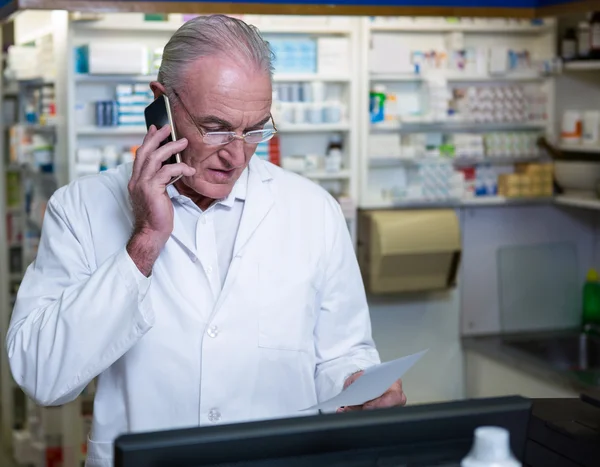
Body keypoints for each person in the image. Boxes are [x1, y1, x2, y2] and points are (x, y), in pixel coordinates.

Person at [6, 15, 406, 467]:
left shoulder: (313, 210)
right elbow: (42, 376)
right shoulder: (80, 208)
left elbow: (343, 351)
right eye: (215, 127)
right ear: (161, 104)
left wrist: (360, 384)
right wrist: (143, 245)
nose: (236, 154)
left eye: (255, 129)